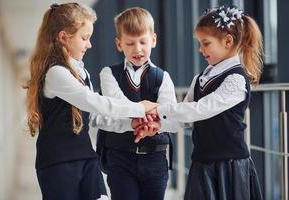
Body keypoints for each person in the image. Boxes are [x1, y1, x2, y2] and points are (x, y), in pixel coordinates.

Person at [25, 3, 156, 200]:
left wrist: (130, 123)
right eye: (84, 38)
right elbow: (94, 102)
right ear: (63, 37)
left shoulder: (81, 72)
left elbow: (94, 116)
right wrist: (138, 108)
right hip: (58, 164)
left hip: (87, 158)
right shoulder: (55, 73)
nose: (89, 44)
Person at [135, 5, 263, 200]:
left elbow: (200, 110)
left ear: (228, 41)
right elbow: (185, 119)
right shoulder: (201, 77)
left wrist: (157, 108)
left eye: (206, 43)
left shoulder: (236, 79)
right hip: (202, 162)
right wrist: (158, 124)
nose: (200, 49)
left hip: (228, 166)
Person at [94, 7, 177, 200]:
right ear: (119, 44)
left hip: (155, 158)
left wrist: (153, 127)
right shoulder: (109, 74)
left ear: (154, 40)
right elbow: (117, 105)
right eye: (130, 43)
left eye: (143, 42)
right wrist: (147, 114)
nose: (137, 49)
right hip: (120, 157)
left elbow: (170, 115)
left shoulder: (163, 78)